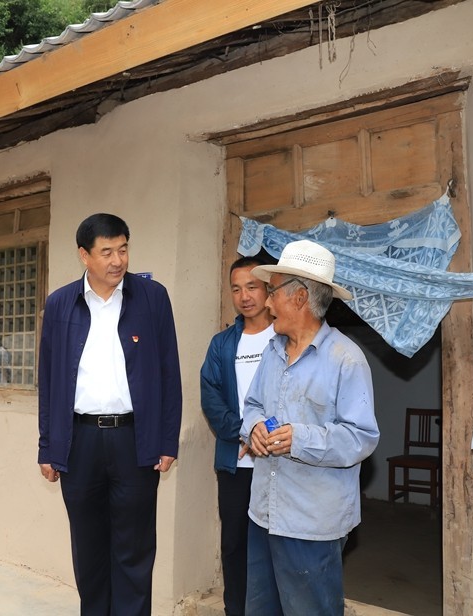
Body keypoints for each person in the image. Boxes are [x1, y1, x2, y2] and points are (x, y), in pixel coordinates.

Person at [37, 213, 182, 616]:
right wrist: (48, 446)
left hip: (134, 438)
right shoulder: (61, 303)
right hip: (79, 440)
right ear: (84, 255)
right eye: (106, 252)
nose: (117, 260)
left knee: (134, 549)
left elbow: (169, 372)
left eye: (123, 249)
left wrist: (167, 440)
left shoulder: (152, 298)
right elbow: (48, 380)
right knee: (89, 548)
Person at [239, 239, 380, 616]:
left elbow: (361, 437)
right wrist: (253, 427)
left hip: (312, 525)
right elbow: (252, 406)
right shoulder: (272, 352)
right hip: (263, 514)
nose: (267, 303)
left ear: (299, 297)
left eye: (272, 292)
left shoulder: (346, 359)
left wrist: (298, 439)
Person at [200, 255, 275, 616]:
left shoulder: (285, 336)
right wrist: (243, 432)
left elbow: (297, 396)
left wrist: (265, 436)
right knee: (234, 545)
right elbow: (211, 396)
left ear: (268, 289)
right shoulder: (223, 344)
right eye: (236, 288)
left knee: (275, 545)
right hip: (235, 462)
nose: (244, 296)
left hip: (279, 462)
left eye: (252, 287)